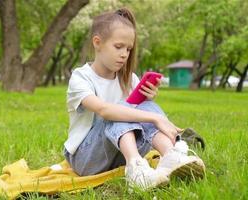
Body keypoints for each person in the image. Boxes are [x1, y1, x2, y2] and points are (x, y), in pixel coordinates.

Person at [63, 7, 205, 190]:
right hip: (86, 158)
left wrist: (149, 102)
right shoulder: (81, 77)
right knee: (118, 111)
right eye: (118, 46)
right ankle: (136, 170)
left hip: (119, 154)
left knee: (140, 105)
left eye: (128, 49)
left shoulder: (129, 79)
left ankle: (170, 156)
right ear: (97, 43)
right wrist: (156, 117)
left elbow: (140, 122)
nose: (124, 54)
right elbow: (104, 110)